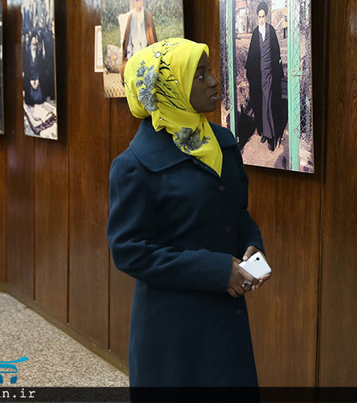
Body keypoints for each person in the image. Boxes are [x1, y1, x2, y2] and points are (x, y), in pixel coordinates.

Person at [107, 38, 271, 392]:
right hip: (172, 328)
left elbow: (238, 214)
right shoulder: (133, 166)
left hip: (226, 317)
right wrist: (216, 270)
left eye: (209, 71)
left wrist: (251, 247)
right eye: (199, 76)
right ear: (169, 89)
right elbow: (130, 250)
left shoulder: (223, 143)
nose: (213, 81)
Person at [245, 1, 284, 151]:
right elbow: (251, 55)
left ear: (266, 16)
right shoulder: (255, 32)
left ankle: (271, 136)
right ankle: (264, 131)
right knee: (260, 102)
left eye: (263, 16)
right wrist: (251, 73)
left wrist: (277, 71)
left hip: (269, 74)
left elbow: (276, 52)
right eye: (259, 16)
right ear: (257, 17)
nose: (261, 19)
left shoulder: (271, 30)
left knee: (269, 102)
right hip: (258, 75)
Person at [120, 0, 157, 81]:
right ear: (133, 0)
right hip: (133, 61)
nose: (139, 3)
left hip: (147, 59)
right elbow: (127, 46)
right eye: (136, 0)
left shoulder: (148, 17)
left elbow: (154, 44)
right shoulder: (130, 18)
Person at [23, 33, 44, 106]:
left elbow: (39, 67)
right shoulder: (26, 52)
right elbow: (25, 68)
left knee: (39, 100)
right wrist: (30, 81)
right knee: (30, 103)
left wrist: (37, 79)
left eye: (35, 43)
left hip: (36, 79)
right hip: (29, 80)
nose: (34, 45)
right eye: (33, 43)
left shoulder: (38, 52)